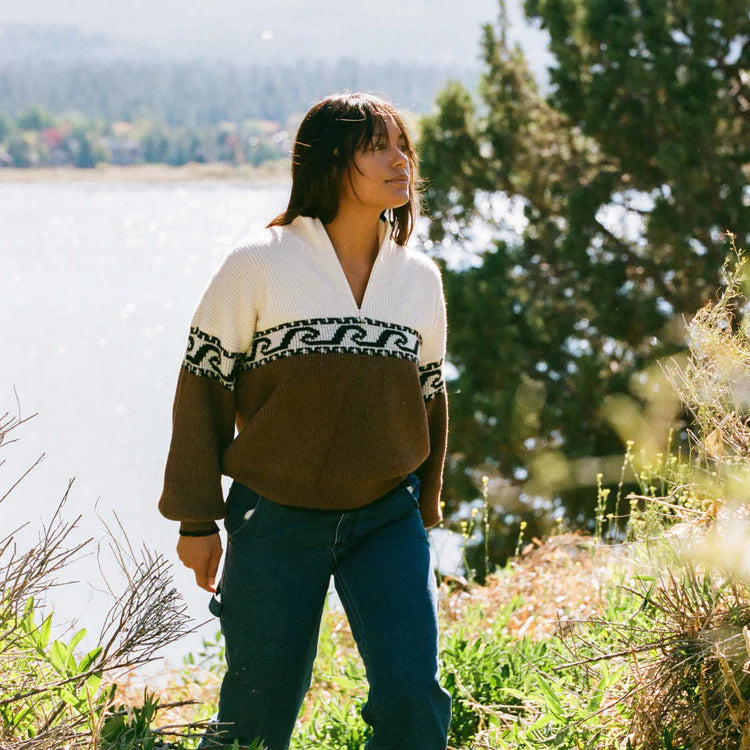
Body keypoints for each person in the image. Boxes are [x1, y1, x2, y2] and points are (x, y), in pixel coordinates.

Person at [158, 91, 452, 750]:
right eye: (378, 146)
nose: (399, 160)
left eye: (402, 144)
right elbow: (201, 393)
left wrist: (422, 509)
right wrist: (198, 520)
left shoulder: (419, 279)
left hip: (386, 518)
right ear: (328, 161)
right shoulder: (258, 263)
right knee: (254, 723)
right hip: (275, 519)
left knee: (414, 699)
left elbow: (429, 402)